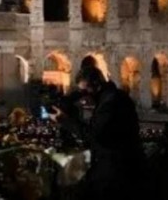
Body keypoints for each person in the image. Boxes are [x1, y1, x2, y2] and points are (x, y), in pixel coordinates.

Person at [49, 66, 145, 200]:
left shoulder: (110, 102)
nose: (84, 94)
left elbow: (93, 134)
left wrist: (65, 120)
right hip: (120, 166)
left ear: (96, 85)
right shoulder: (113, 97)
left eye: (84, 90)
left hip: (116, 170)